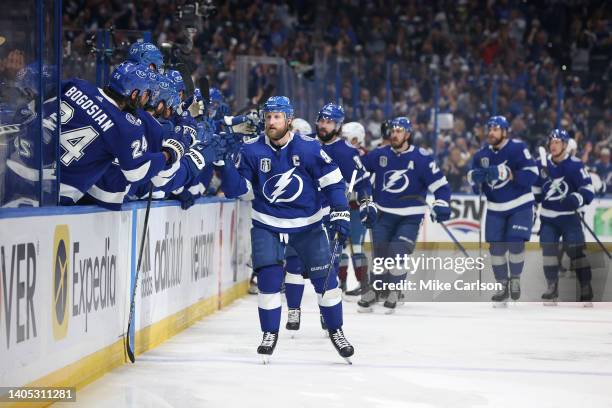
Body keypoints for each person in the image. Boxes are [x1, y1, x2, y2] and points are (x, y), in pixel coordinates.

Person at [217, 96, 355, 363]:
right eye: (268, 117)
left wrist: (340, 210)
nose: (271, 121)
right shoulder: (250, 149)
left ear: (289, 119)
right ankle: (269, 333)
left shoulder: (309, 148)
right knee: (268, 281)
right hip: (266, 224)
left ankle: (336, 331)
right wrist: (224, 165)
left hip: (308, 225)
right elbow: (241, 191)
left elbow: (334, 182)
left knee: (326, 281)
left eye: (277, 117)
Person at [358, 116, 451, 313]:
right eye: (392, 131)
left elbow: (441, 186)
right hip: (383, 214)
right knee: (380, 255)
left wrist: (441, 203)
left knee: (397, 251)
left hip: (410, 216)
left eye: (399, 131)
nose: (394, 134)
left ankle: (395, 290)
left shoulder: (422, 158)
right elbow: (358, 170)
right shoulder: (380, 154)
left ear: (408, 134)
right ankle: (376, 291)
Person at [467, 115, 538, 306]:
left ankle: (515, 278)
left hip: (520, 205)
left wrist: (509, 173)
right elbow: (473, 179)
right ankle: (502, 285)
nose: (491, 132)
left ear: (505, 131)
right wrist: (476, 181)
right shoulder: (481, 155)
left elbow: (533, 174)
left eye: (496, 129)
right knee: (496, 249)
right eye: (489, 129)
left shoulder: (518, 148)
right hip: (495, 208)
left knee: (515, 243)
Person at [533, 129, 595, 304]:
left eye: (557, 142)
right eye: (551, 142)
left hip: (569, 219)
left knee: (576, 252)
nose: (553, 145)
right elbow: (536, 192)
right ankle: (552, 287)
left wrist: (576, 198)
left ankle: (585, 287)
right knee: (549, 252)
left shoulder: (575, 165)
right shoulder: (541, 165)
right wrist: (534, 203)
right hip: (548, 218)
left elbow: (588, 189)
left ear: (566, 145)